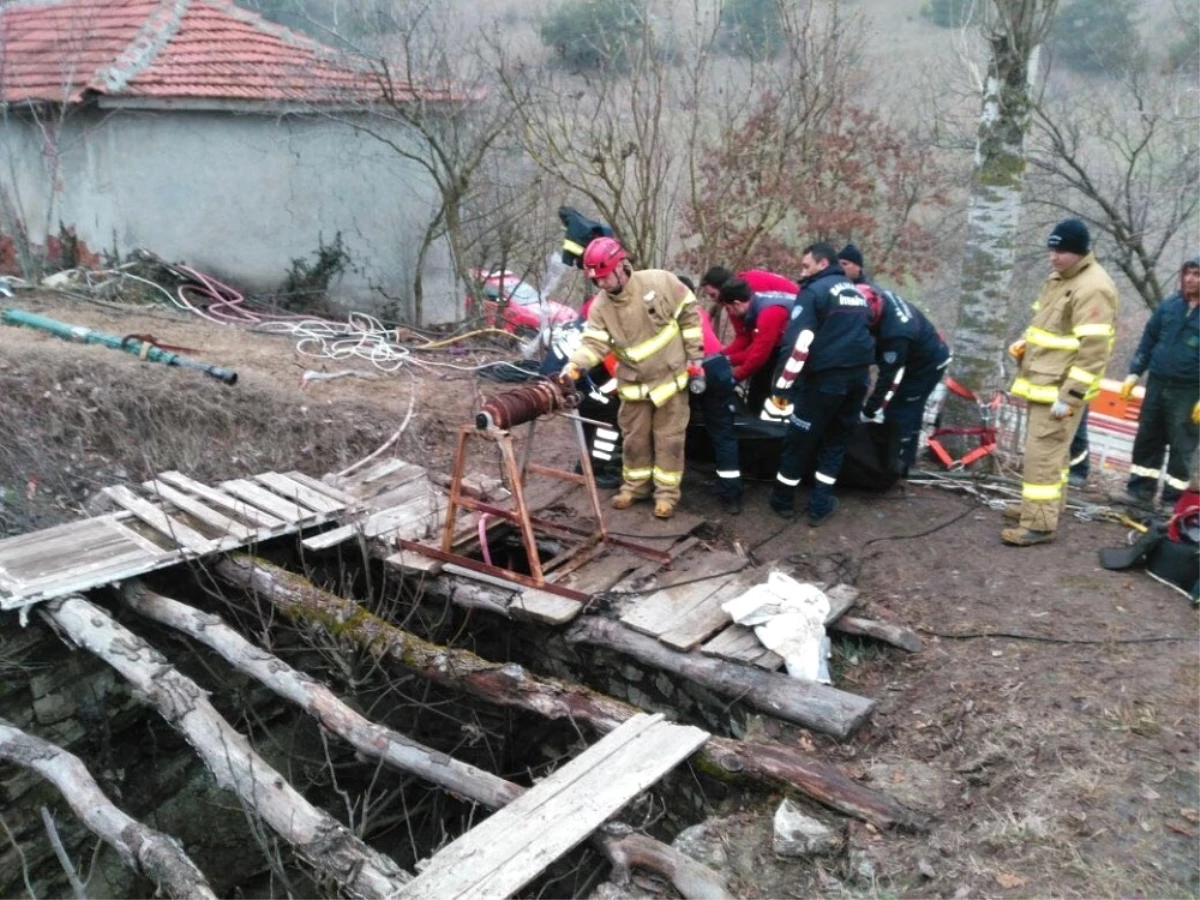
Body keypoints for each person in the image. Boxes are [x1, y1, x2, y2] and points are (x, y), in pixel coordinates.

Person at [562, 237, 704, 519]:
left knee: (670, 441)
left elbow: (689, 313)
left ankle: (666, 495)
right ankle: (635, 487)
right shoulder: (600, 307)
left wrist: (695, 358)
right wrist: (576, 365)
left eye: (604, 277)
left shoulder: (659, 282)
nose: (601, 284)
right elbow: (594, 343)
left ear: (621, 266)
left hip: (670, 382)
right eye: (596, 280)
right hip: (634, 386)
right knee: (634, 442)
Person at [1004, 218, 1118, 546]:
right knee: (1051, 453)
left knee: (1044, 454)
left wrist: (1070, 396)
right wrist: (1026, 344)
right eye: (1052, 249)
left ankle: (1038, 523)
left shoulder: (1093, 287)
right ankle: (1040, 508)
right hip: (1042, 381)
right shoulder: (1061, 278)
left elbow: (1094, 351)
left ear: (1081, 253)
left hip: (1059, 389)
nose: (1054, 257)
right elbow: (1050, 326)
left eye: (1062, 251)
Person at [764, 242, 876, 525]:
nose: (803, 271)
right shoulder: (856, 293)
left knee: (798, 441)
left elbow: (796, 343)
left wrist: (781, 385)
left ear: (822, 264)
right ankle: (820, 503)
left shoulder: (814, 292)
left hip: (825, 380)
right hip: (858, 380)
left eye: (806, 265)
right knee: (836, 441)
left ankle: (782, 500)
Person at [1109, 255, 1200, 510]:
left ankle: (1173, 502)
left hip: (1190, 392)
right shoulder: (1171, 305)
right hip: (1158, 384)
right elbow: (1149, 338)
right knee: (1148, 438)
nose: (1190, 279)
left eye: (1197, 275)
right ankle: (1139, 492)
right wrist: (1134, 372)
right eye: (1188, 273)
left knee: (1182, 447)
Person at [861, 286, 951, 477]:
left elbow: (888, 376)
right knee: (913, 409)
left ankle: (897, 464)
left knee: (900, 410)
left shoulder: (896, 333)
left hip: (928, 363)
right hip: (921, 351)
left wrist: (869, 410)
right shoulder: (880, 296)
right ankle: (908, 462)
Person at [678, 274, 744, 514]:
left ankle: (671, 484)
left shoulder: (673, 314)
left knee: (672, 425)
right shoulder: (698, 311)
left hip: (699, 370)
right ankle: (731, 494)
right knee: (723, 433)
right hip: (719, 367)